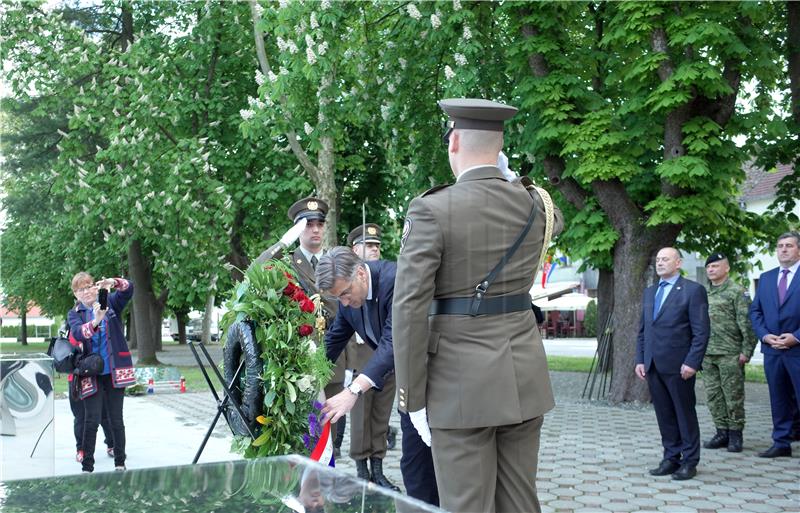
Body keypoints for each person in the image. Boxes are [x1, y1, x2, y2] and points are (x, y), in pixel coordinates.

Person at [392, 98, 562, 513]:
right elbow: (554, 223)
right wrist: (508, 180)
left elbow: (409, 310)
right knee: (520, 502)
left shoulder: (431, 209)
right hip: (523, 378)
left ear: (454, 144)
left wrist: (411, 398)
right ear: (500, 148)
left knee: (467, 505)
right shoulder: (535, 204)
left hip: (459, 385)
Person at [316, 247, 439, 506]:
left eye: (346, 293)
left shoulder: (396, 281)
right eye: (339, 298)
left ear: (360, 272)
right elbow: (333, 341)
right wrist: (305, 376)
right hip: (412, 388)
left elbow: (393, 342)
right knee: (415, 468)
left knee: (439, 465)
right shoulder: (348, 300)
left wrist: (353, 391)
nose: (345, 303)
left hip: (439, 378)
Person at [251, 197, 349, 457]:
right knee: (303, 436)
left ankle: (324, 491)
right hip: (298, 363)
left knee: (330, 440)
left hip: (332, 360)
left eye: (319, 224)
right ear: (297, 229)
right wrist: (283, 243)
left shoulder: (336, 262)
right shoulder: (285, 262)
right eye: (307, 225)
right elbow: (253, 273)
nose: (315, 229)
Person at [635, 248, 710, 480]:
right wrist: (640, 359)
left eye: (665, 259)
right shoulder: (650, 292)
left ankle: (689, 461)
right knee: (664, 414)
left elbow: (701, 332)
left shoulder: (693, 291)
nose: (660, 263)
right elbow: (643, 330)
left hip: (680, 366)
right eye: (657, 259)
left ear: (678, 263)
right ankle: (670, 457)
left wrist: (692, 362)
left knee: (684, 414)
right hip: (653, 365)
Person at [343, 224, 398, 489]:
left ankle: (378, 469)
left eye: (377, 245)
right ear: (355, 250)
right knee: (360, 418)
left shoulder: (389, 277)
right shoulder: (344, 278)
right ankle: (361, 470)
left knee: (381, 416)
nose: (375, 249)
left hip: (388, 358)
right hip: (361, 358)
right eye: (369, 245)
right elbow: (337, 327)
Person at [68, 273, 135, 473]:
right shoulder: (75, 313)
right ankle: (87, 467)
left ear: (96, 287)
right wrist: (96, 320)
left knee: (116, 418)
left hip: (115, 371)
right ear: (75, 294)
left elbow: (129, 288)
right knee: (91, 420)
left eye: (89, 286)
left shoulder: (111, 302)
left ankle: (120, 463)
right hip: (90, 373)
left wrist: (113, 283)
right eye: (81, 289)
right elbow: (79, 333)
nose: (86, 291)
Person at [749, 231, 800, 458]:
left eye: (789, 245)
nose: (784, 250)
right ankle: (781, 442)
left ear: (798, 249)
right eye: (780, 246)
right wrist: (765, 335)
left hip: (797, 349)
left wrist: (796, 336)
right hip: (772, 349)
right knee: (778, 398)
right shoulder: (767, 277)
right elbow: (755, 311)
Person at [702, 253, 757, 453]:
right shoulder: (703, 293)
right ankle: (721, 432)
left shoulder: (737, 292)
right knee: (713, 395)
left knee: (733, 396)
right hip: (707, 354)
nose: (711, 270)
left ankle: (736, 435)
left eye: (715, 266)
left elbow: (748, 325)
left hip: (730, 353)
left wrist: (746, 351)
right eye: (708, 267)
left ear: (726, 268)